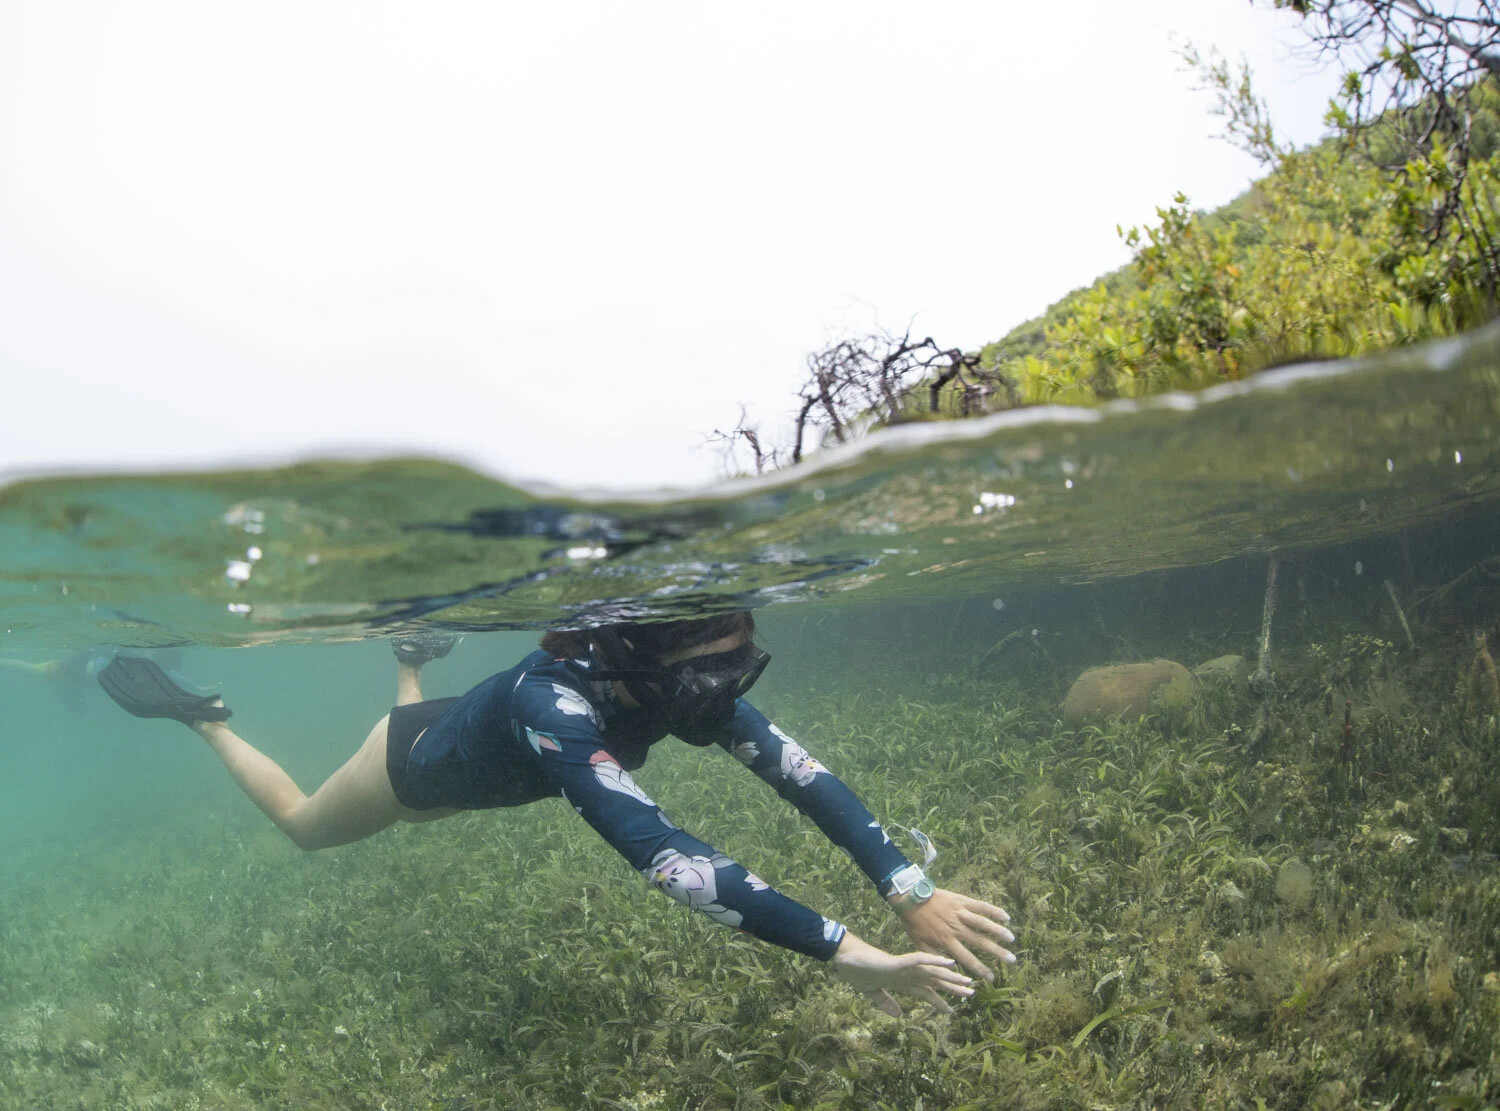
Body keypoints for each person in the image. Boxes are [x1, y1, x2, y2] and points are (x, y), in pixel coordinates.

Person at [97, 613, 1015, 1017]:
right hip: (412, 765)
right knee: (304, 824)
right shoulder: (556, 707)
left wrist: (909, 886)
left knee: (438, 744)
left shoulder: (669, 681)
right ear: (641, 663)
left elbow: (797, 771)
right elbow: (668, 859)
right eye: (712, 677)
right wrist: (853, 957)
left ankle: (412, 663)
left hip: (474, 747)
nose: (727, 696)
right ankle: (203, 715)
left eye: (740, 670)